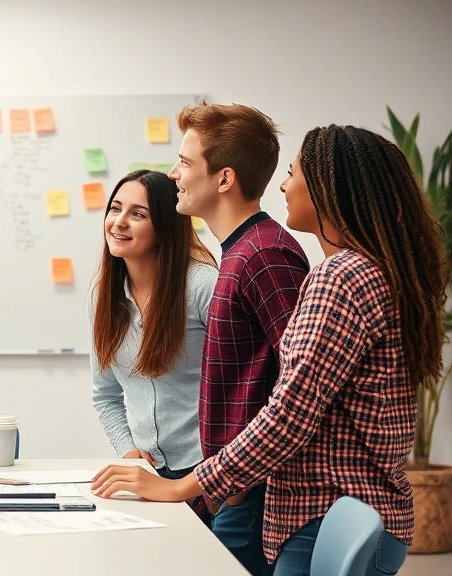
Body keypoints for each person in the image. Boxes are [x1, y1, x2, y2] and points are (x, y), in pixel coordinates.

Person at [91, 124, 446, 576]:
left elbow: (287, 411)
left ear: (328, 191)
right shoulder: (357, 271)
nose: (282, 183)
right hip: (332, 509)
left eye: (295, 173)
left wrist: (189, 486)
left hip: (326, 510)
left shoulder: (333, 277)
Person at [132, 101, 309, 575]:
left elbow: (299, 390)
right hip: (232, 486)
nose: (173, 174)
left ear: (224, 179)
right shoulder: (238, 254)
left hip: (251, 491)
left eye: (186, 163)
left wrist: (238, 480)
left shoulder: (266, 255)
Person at [90, 170, 217, 484]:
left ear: (164, 226)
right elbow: (104, 395)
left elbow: (244, 386)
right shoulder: (105, 300)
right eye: (115, 209)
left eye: (137, 214)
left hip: (210, 470)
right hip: (149, 472)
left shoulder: (203, 286)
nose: (119, 221)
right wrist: (129, 453)